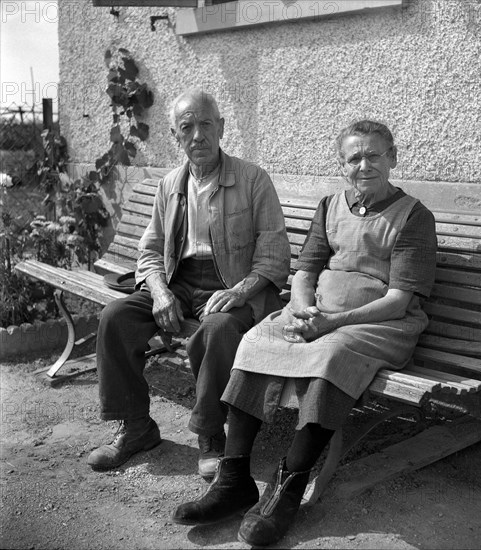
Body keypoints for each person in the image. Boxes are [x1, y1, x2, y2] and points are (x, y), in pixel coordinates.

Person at [172, 120, 438, 546]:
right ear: (342, 165)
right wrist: (299, 307)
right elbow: (306, 270)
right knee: (258, 339)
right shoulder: (330, 206)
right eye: (354, 158)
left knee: (330, 356)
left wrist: (331, 323)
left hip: (379, 324)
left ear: (393, 158)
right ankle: (235, 478)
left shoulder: (413, 217)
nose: (364, 164)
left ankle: (287, 487)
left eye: (374, 155)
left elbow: (399, 300)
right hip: (320, 314)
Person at [87, 89, 290, 479]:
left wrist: (240, 291)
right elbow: (148, 251)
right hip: (180, 282)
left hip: (233, 283)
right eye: (187, 127)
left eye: (206, 124)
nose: (197, 135)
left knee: (214, 330)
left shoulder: (253, 180)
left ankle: (211, 434)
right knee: (116, 317)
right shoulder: (169, 185)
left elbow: (275, 256)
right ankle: (136, 427)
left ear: (222, 128)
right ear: (176, 135)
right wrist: (160, 290)